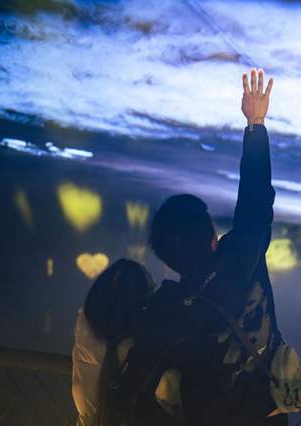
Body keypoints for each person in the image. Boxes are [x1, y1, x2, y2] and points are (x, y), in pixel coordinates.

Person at [113, 68, 287, 426]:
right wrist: (255, 124)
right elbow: (255, 202)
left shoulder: (166, 309)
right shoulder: (241, 260)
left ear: (168, 258)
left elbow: (136, 386)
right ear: (212, 238)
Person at [72, 259, 181, 426]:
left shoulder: (85, 339)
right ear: (140, 306)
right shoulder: (144, 356)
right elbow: (172, 394)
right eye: (150, 293)